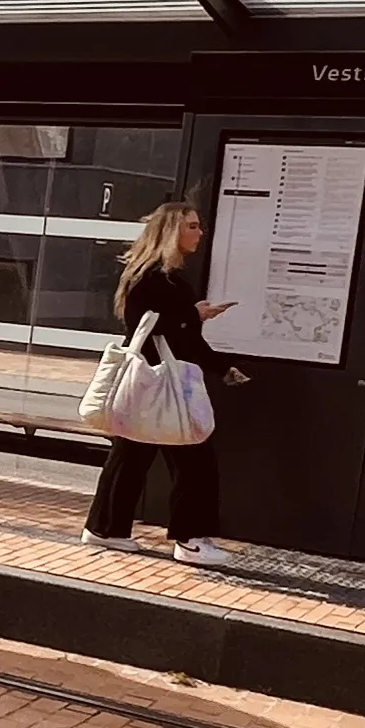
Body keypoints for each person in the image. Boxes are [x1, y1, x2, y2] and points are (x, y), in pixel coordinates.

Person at [88, 198, 237, 564]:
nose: (199, 233)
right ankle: (191, 541)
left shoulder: (158, 275)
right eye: (192, 226)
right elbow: (144, 324)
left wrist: (221, 366)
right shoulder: (155, 276)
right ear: (171, 230)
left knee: (131, 455)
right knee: (195, 460)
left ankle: (106, 529)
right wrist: (192, 314)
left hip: (147, 385)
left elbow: (178, 334)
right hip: (162, 385)